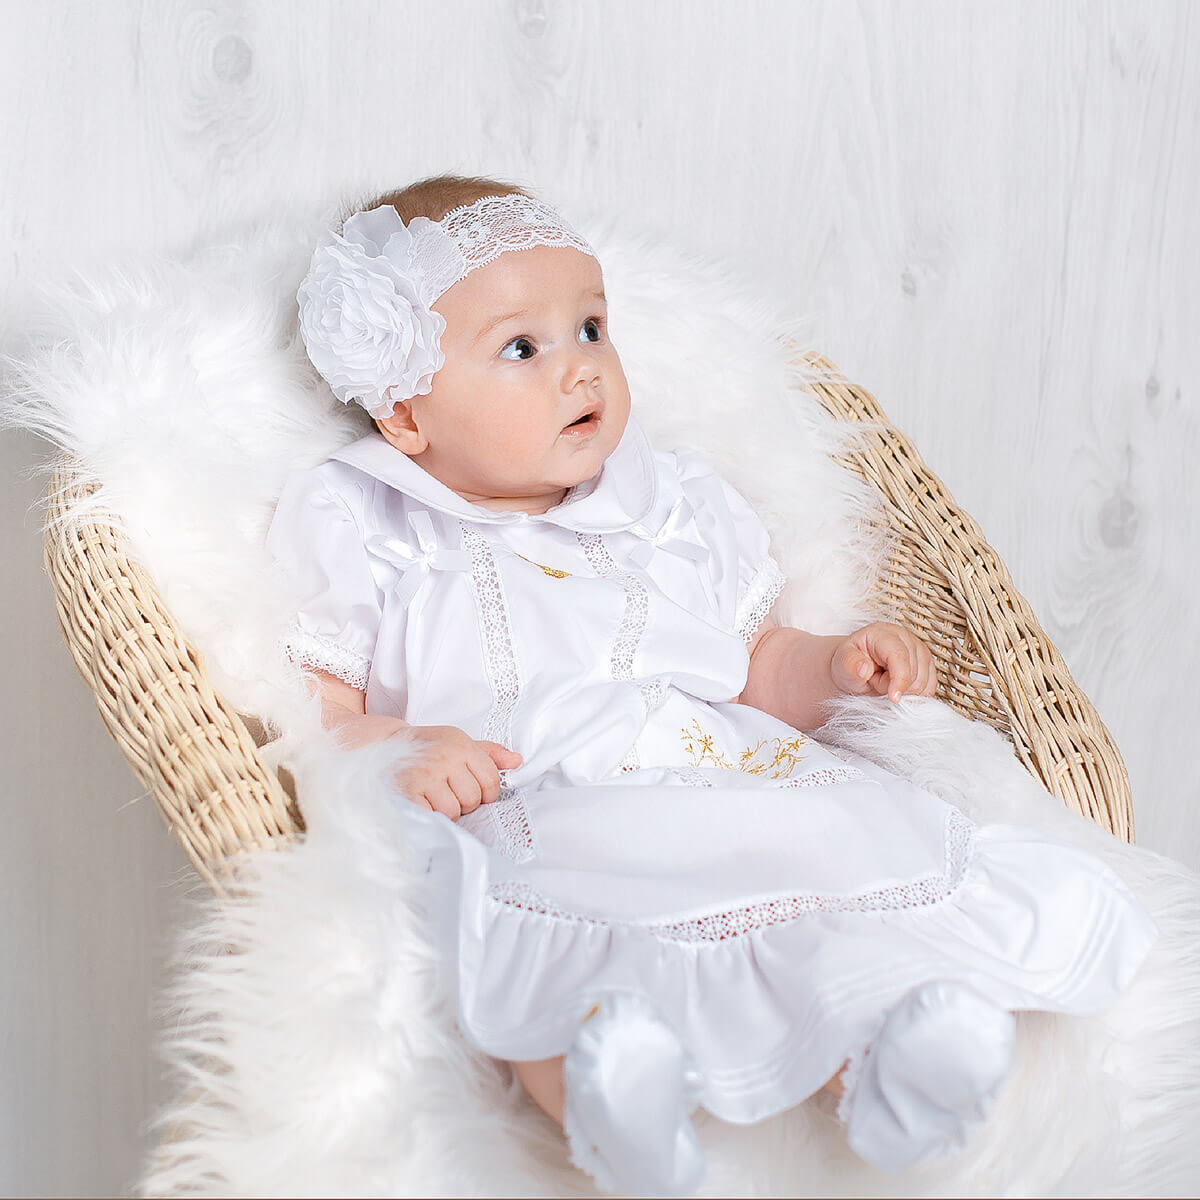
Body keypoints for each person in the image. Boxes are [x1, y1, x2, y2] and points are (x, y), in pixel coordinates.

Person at [266, 174, 1157, 1197]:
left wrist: (835, 666)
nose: (580, 371)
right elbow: (316, 708)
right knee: (548, 949)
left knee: (818, 895)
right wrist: (404, 748)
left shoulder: (669, 506)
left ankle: (887, 1073)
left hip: (713, 775)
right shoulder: (368, 525)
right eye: (524, 347)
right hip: (542, 802)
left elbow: (753, 661)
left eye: (592, 327)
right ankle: (612, 1112)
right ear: (408, 411)